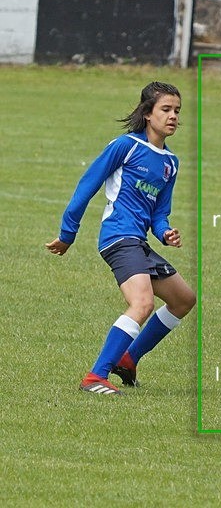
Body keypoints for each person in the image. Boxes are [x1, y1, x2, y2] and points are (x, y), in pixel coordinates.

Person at [46, 82, 196, 395]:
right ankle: (95, 377)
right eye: (166, 109)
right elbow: (86, 186)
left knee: (183, 299)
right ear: (148, 113)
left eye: (177, 111)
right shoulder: (126, 146)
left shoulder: (170, 163)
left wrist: (166, 232)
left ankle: (128, 359)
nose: (173, 116)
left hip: (139, 242)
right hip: (117, 236)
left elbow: (159, 214)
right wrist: (67, 234)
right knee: (142, 303)